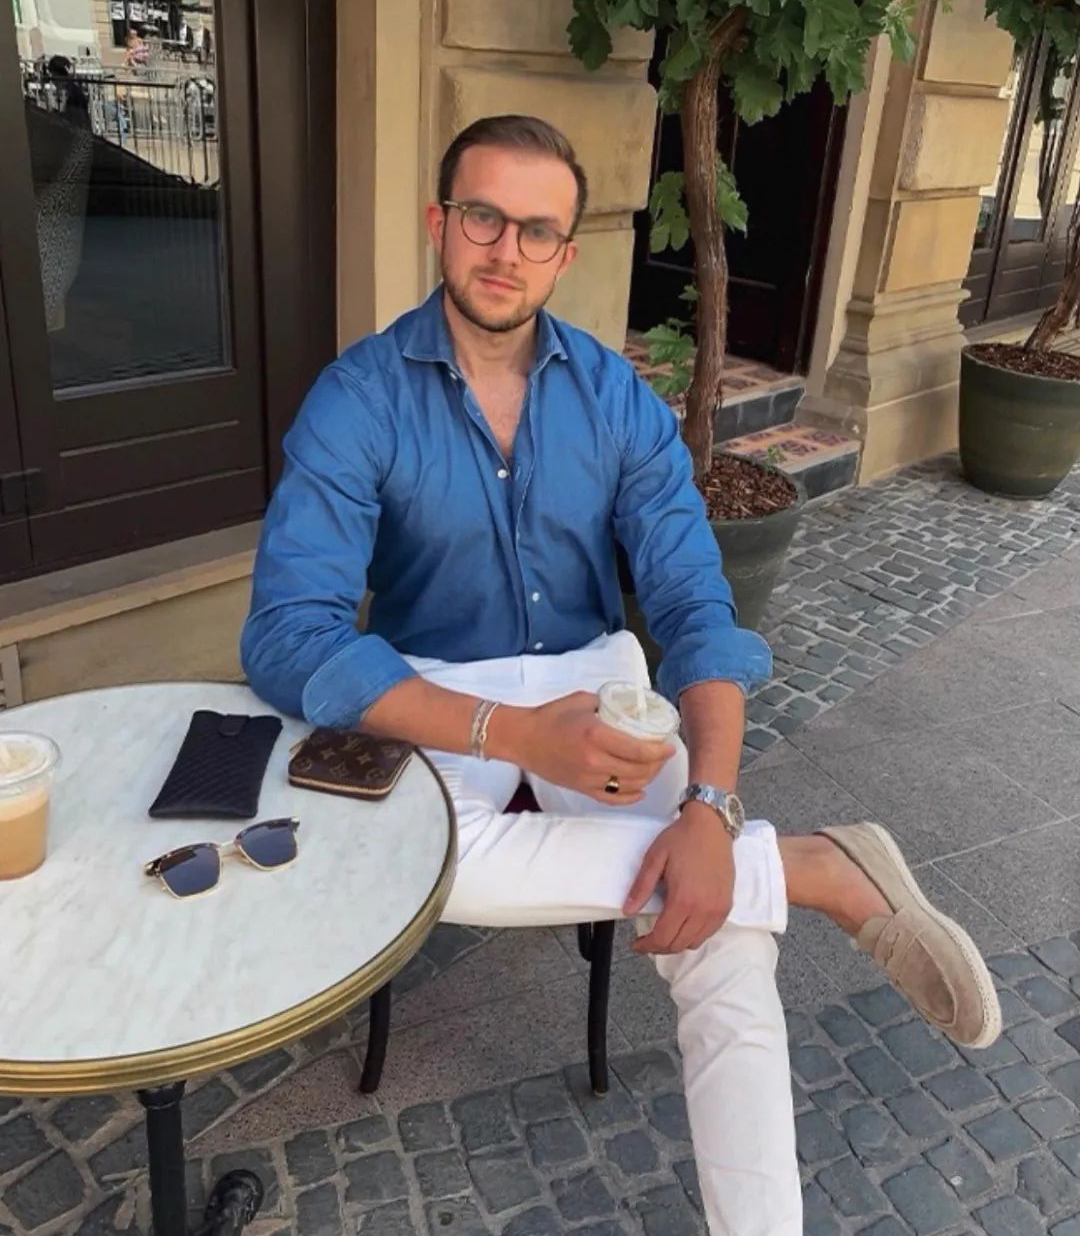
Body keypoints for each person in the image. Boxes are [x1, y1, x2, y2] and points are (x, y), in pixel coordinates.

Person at [241, 114, 1001, 1235]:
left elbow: (695, 602)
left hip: (601, 679)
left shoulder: (616, 399)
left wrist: (712, 805)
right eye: (483, 217)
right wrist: (512, 731)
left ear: (566, 252)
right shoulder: (359, 398)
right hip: (438, 692)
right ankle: (805, 867)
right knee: (425, 874)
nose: (505, 250)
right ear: (439, 222)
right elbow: (288, 633)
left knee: (721, 933)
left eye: (536, 229)